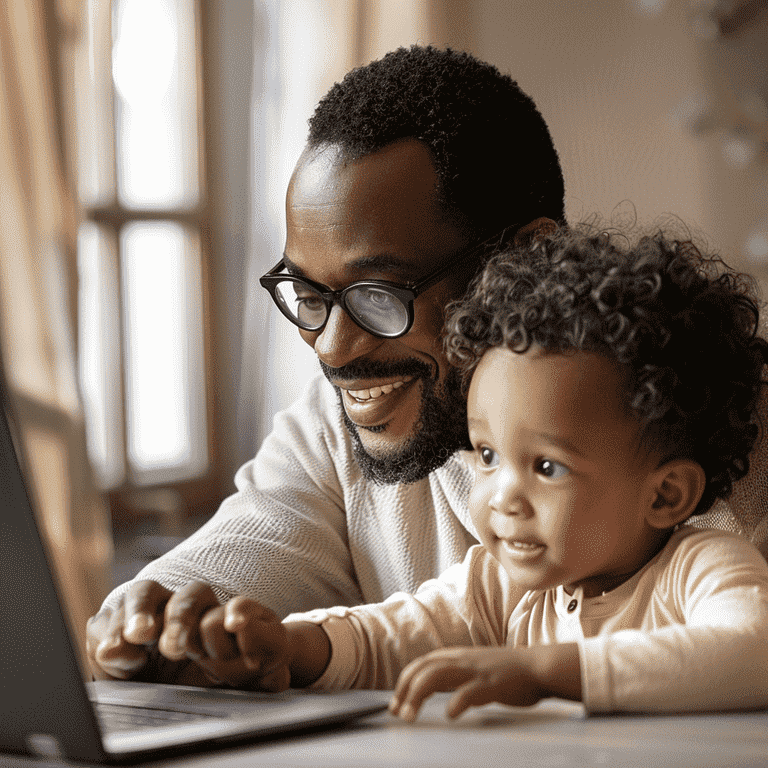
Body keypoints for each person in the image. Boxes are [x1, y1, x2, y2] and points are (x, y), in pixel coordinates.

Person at [86, 45, 566, 684]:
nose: (332, 349)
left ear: (528, 262)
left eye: (377, 294)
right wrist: (165, 617)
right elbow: (255, 546)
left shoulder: (679, 423)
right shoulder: (335, 424)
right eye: (310, 296)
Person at [187, 224, 768, 719]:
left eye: (545, 466)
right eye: (487, 456)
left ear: (666, 495)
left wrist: (543, 671)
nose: (500, 498)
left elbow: (754, 653)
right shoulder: (502, 584)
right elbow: (394, 636)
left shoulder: (700, 567)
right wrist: (291, 645)